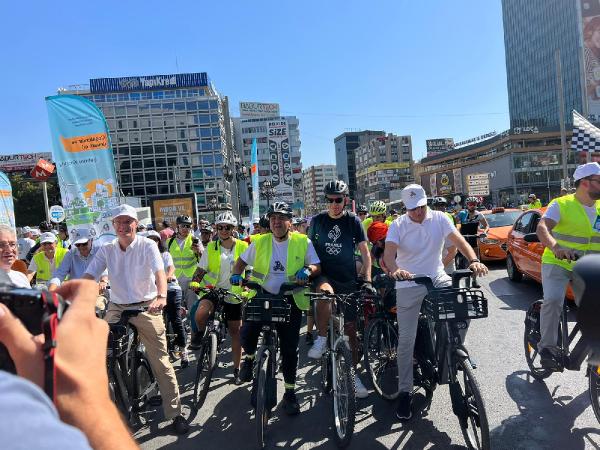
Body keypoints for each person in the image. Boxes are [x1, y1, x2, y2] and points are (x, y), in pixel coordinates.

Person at [383, 184, 488, 421]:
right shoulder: (398, 224)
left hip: (437, 278)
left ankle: (453, 350)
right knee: (406, 341)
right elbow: (389, 254)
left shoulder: (440, 218)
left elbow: (459, 241)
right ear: (405, 208)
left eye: (420, 207)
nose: (418, 213)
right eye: (412, 209)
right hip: (408, 283)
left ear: (426, 202)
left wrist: (473, 260)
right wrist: (396, 269)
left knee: (463, 309)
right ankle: (406, 392)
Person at [82, 204, 189, 434]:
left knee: (161, 361)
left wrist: (161, 297)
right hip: (118, 307)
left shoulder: (147, 245)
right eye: (119, 222)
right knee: (102, 355)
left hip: (146, 306)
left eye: (128, 222)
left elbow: (160, 273)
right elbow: (90, 275)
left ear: (136, 225)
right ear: (113, 226)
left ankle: (176, 413)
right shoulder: (106, 249)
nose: (123, 227)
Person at [0, 279, 138, 450]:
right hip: (108, 306)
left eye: (84, 248)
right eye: (79, 248)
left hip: (145, 301)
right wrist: (93, 407)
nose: (82, 249)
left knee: (158, 354)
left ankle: (175, 408)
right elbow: (64, 274)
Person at [232, 202, 321, 415]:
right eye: (273, 218)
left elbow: (317, 265)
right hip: (262, 295)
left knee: (290, 349)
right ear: (269, 222)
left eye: (281, 218)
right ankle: (249, 359)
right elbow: (241, 262)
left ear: (290, 222)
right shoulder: (259, 241)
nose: (277, 222)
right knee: (248, 330)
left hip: (290, 299)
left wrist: (308, 271)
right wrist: (236, 274)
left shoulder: (302, 241)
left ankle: (290, 394)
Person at [307, 180, 374, 399]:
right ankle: (322, 337)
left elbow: (365, 253)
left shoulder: (354, 221)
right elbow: (307, 249)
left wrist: (367, 279)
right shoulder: (317, 221)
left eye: (339, 200)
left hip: (347, 279)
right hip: (324, 274)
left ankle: (352, 374)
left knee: (351, 333)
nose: (334, 204)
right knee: (325, 295)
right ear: (325, 200)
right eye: (330, 200)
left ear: (346, 200)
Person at [535, 162, 600, 369]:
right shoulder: (561, 204)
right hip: (558, 262)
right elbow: (542, 227)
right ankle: (546, 347)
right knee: (553, 300)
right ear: (585, 183)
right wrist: (555, 246)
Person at [191, 212, 248, 384]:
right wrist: (195, 281)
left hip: (234, 293)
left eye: (227, 227)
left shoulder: (243, 247)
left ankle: (237, 369)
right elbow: (201, 269)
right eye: (220, 227)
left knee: (236, 332)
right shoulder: (211, 247)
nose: (223, 230)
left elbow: (250, 271)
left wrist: (246, 288)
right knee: (200, 313)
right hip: (214, 291)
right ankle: (200, 336)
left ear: (233, 229)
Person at [146, 230, 189, 368]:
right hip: (153, 293)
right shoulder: (142, 257)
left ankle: (183, 350)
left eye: (155, 239)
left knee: (176, 320)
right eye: (150, 239)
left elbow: (171, 268)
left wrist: (168, 276)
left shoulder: (165, 255)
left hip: (170, 290)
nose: (153, 242)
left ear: (159, 242)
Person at [47, 229, 109, 314]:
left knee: (97, 311)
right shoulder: (70, 254)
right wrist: (51, 292)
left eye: (84, 244)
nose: (81, 247)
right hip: (75, 293)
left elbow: (104, 269)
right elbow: (59, 274)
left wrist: (103, 281)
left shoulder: (100, 250)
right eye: (78, 245)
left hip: (97, 292)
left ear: (91, 240)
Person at [168, 215, 203, 310]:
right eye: (182, 226)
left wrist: (199, 251)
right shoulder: (169, 242)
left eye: (188, 226)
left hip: (191, 280)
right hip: (175, 280)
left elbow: (204, 260)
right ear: (177, 227)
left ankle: (193, 324)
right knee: (177, 309)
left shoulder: (195, 240)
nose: (185, 228)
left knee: (193, 308)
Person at [432, 197, 458, 274]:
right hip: (435, 254)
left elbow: (454, 231)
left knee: (451, 278)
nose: (441, 208)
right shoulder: (429, 218)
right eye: (438, 206)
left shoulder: (450, 216)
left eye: (443, 205)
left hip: (448, 251)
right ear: (434, 207)